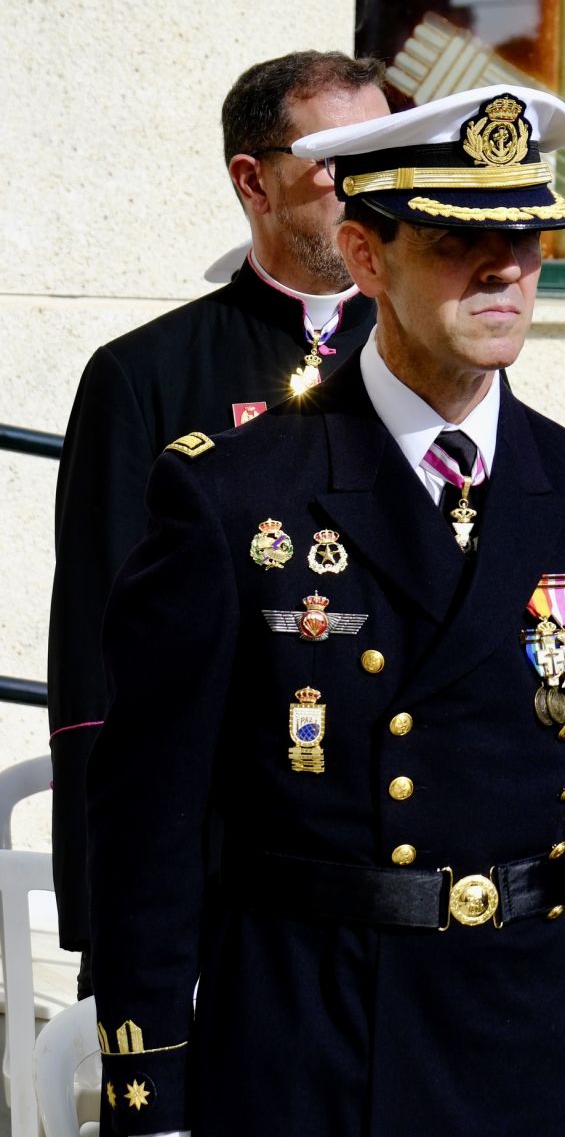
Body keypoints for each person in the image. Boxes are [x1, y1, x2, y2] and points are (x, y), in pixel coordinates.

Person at [85, 85, 565, 1136]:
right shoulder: (235, 495)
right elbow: (150, 819)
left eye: (526, 240)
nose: (503, 270)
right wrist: (150, 1087)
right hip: (319, 1037)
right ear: (364, 255)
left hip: (539, 1035)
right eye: (456, 242)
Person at [48, 52, 387, 985]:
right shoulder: (143, 374)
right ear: (253, 180)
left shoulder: (433, 363)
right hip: (208, 872)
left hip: (387, 869)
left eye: (386, 154)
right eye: (339, 160)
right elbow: (99, 656)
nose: (368, 185)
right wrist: (112, 907)